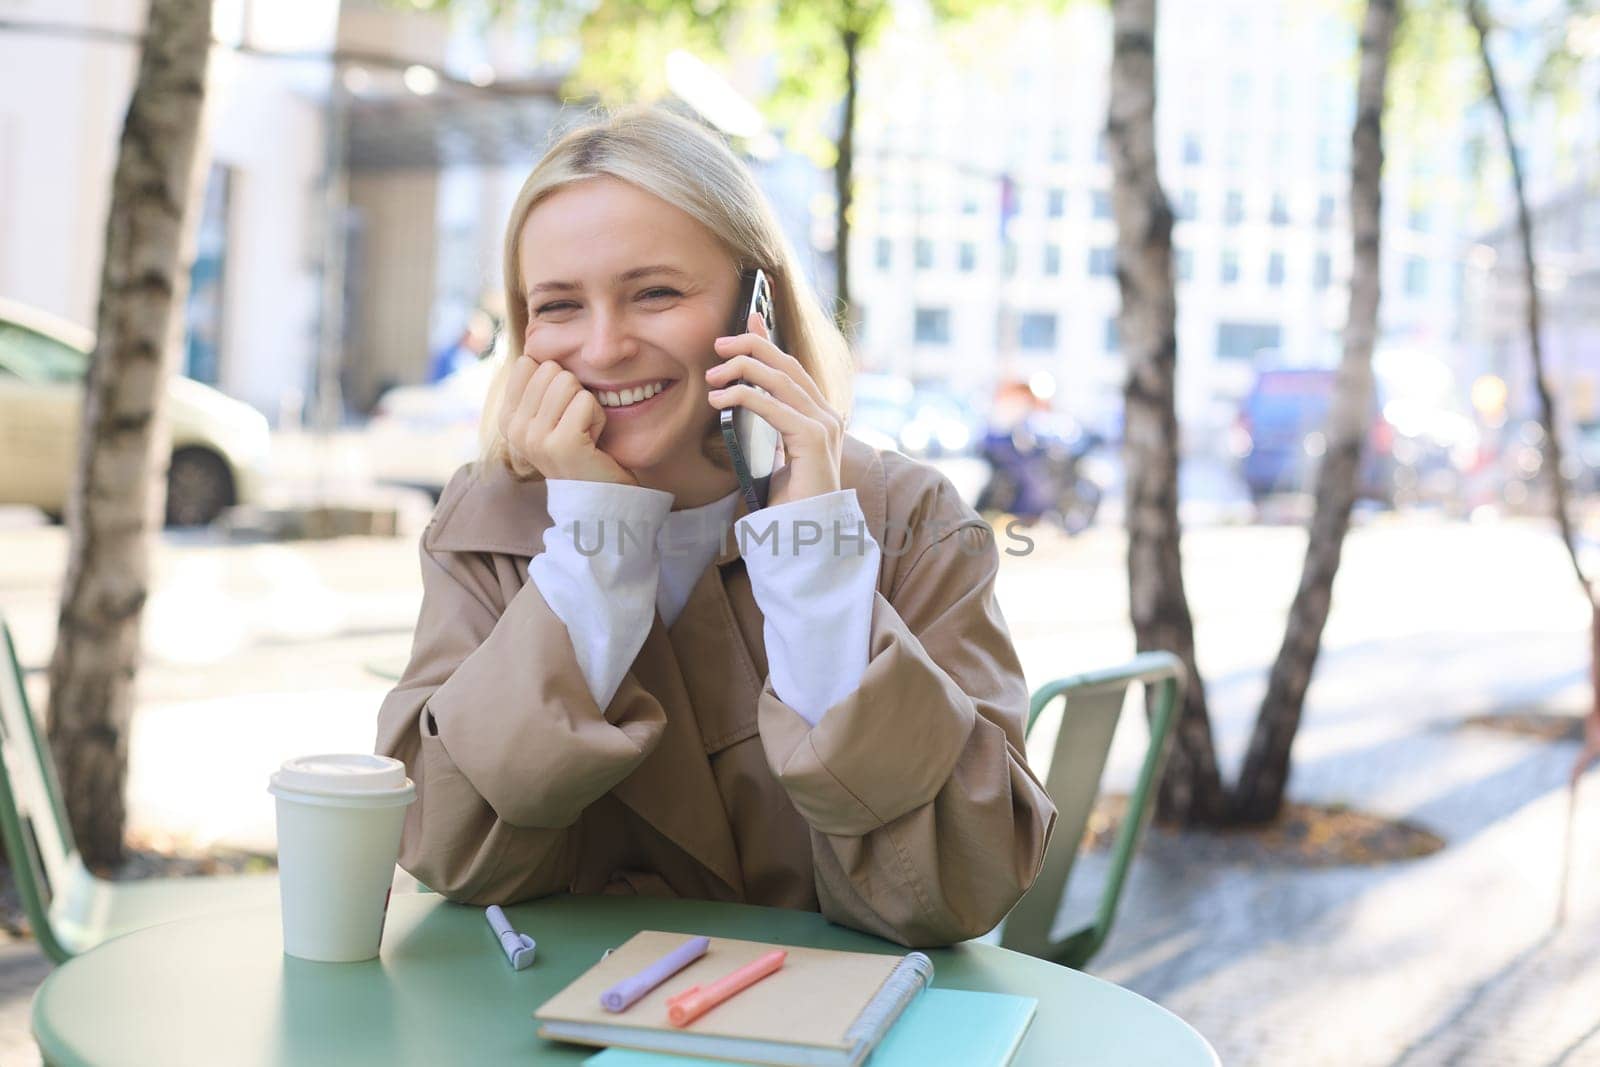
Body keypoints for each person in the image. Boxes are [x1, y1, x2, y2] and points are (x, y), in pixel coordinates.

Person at [375, 107, 1056, 949]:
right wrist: (597, 543)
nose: (605, 346)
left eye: (654, 292)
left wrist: (814, 557)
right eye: (558, 305)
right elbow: (447, 849)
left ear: (755, 303)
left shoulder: (909, 517)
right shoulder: (488, 518)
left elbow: (959, 884)